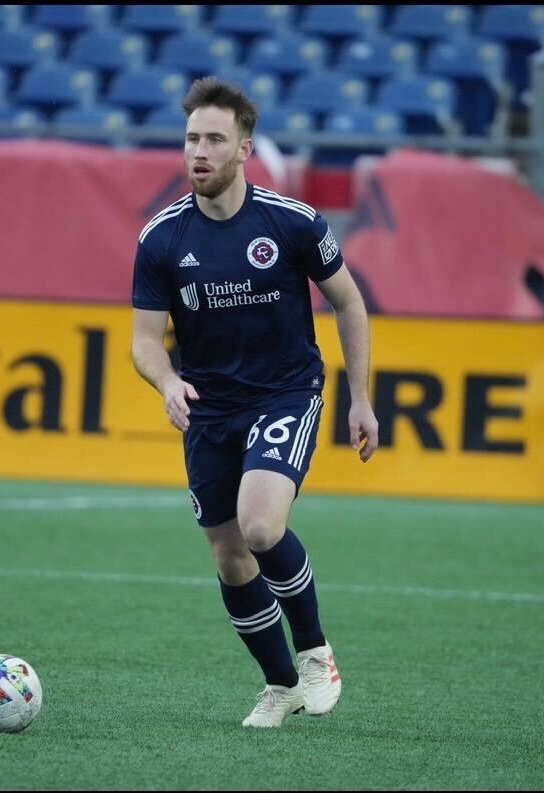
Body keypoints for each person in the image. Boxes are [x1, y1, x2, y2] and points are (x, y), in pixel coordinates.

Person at [130, 77, 379, 729]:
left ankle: (317, 652)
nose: (199, 151)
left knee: (260, 525)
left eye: (214, 139)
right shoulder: (160, 239)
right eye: (190, 139)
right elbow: (142, 342)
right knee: (228, 553)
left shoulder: (291, 223)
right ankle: (280, 684)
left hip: (285, 391)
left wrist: (360, 399)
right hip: (209, 407)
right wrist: (166, 382)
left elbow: (349, 301)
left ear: (243, 148)